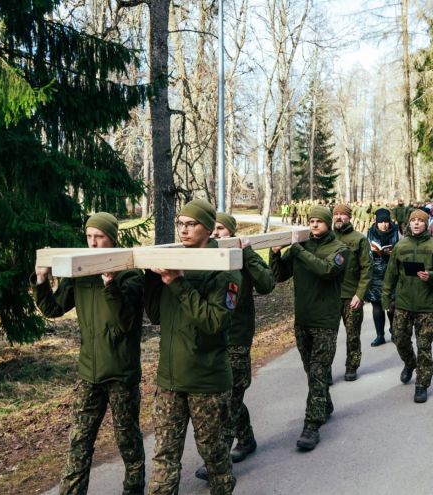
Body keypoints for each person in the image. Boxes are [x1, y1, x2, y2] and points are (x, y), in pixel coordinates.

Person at [31, 212, 145, 495]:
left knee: (127, 439)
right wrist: (42, 281)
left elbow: (126, 322)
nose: (92, 244)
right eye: (89, 237)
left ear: (112, 238)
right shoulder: (80, 272)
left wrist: (111, 285)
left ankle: (134, 488)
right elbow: (53, 309)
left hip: (121, 373)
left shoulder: (131, 274)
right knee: (79, 440)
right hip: (89, 372)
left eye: (99, 237)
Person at [145, 199, 239, 495]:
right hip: (170, 380)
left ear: (209, 229)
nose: (183, 230)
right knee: (164, 457)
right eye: (180, 224)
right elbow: (157, 316)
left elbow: (214, 322)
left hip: (206, 381)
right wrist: (152, 280)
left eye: (191, 224)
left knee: (214, 454)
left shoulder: (225, 269)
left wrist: (177, 283)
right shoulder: (175, 261)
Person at [194, 213, 275, 481]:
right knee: (231, 395)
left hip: (237, 338)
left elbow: (267, 284)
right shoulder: (203, 255)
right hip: (211, 339)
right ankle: (247, 438)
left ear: (231, 232)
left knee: (230, 398)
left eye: (221, 230)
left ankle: (218, 460)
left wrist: (248, 252)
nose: (216, 234)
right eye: (212, 230)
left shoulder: (242, 257)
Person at [270, 205, 349, 451]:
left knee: (318, 372)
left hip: (325, 321)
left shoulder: (340, 249)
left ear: (327, 223)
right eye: (311, 221)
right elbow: (280, 275)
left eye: (319, 221)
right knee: (310, 370)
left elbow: (326, 270)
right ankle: (324, 402)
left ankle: (311, 426)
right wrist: (275, 254)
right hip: (302, 319)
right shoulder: (300, 248)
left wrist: (297, 251)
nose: (314, 224)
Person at [381, 209, 433, 403]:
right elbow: (390, 275)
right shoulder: (400, 246)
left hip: (425, 306)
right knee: (399, 339)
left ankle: (422, 384)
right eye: (413, 220)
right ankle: (409, 363)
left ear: (426, 223)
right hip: (403, 304)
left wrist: (432, 276)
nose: (416, 224)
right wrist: (386, 299)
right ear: (409, 224)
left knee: (424, 346)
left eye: (420, 221)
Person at [332, 204, 372, 381]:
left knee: (352, 335)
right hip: (329, 297)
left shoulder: (359, 240)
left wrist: (360, 294)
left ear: (350, 217)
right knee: (326, 338)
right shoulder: (327, 238)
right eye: (336, 214)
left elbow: (367, 268)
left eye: (343, 214)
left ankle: (352, 366)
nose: (339, 217)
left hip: (351, 296)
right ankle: (325, 371)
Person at [365, 208, 400, 347]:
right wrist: (372, 252)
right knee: (377, 305)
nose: (384, 225)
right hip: (375, 274)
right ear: (376, 222)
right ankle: (380, 335)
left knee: (392, 305)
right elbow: (364, 254)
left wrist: (392, 253)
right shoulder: (369, 234)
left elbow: (403, 249)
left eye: (386, 222)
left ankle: (394, 332)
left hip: (392, 274)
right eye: (381, 222)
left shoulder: (397, 232)